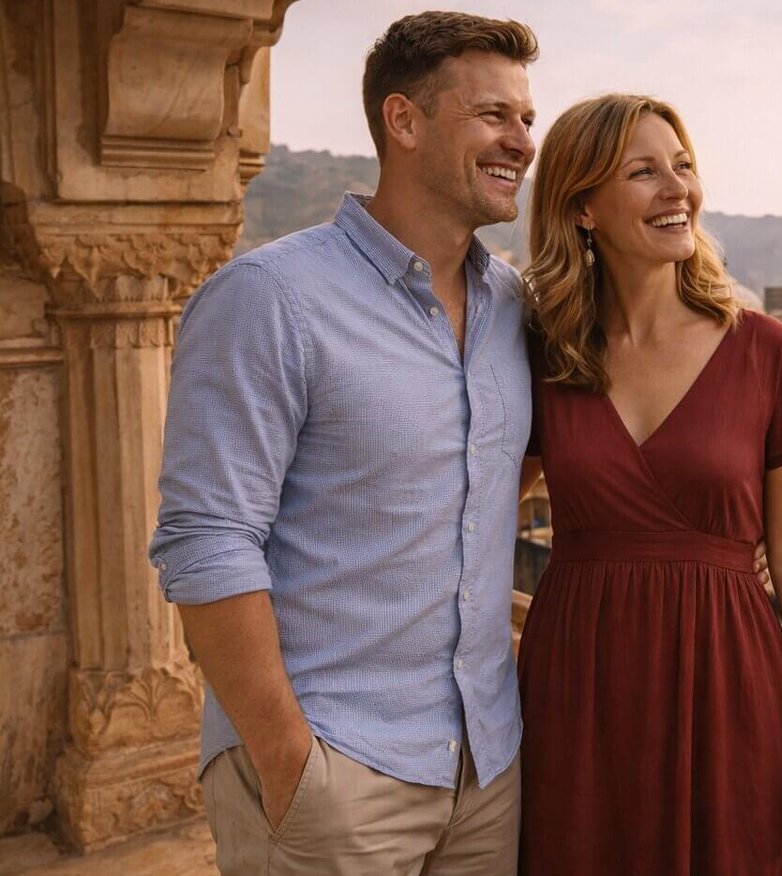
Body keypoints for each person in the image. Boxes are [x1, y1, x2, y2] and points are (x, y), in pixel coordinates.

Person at [149, 15, 545, 874]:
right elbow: (206, 542)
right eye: (493, 116)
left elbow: (505, 474)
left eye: (526, 118)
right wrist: (290, 760)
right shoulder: (270, 299)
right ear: (402, 122)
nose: (521, 139)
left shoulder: (512, 308)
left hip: (486, 768)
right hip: (335, 766)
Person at [516, 94, 782, 875]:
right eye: (644, 172)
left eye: (684, 167)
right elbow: (475, 507)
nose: (678, 189)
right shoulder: (545, 357)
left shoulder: (765, 350)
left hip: (732, 680)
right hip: (578, 682)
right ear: (583, 207)